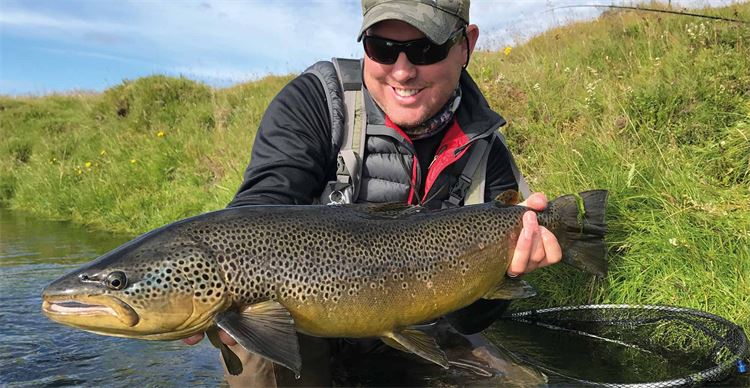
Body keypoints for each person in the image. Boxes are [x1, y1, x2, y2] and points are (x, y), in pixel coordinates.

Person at [185, 0, 562, 385]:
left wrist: (506, 268)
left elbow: (465, 320)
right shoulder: (318, 103)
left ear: (466, 45)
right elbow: (260, 209)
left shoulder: (486, 153)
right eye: (381, 48)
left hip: (414, 324)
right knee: (250, 326)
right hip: (304, 324)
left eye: (425, 49)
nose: (402, 70)